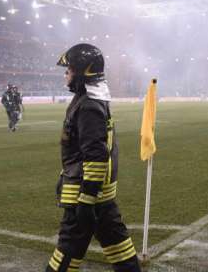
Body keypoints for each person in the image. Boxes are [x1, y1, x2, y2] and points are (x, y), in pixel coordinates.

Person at [46, 44, 141, 272]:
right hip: (102, 197)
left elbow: (96, 155)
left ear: (82, 71)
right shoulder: (90, 99)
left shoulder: (87, 105)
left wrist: (87, 200)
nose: (65, 73)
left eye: (69, 69)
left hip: (85, 194)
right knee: (120, 249)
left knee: (67, 252)